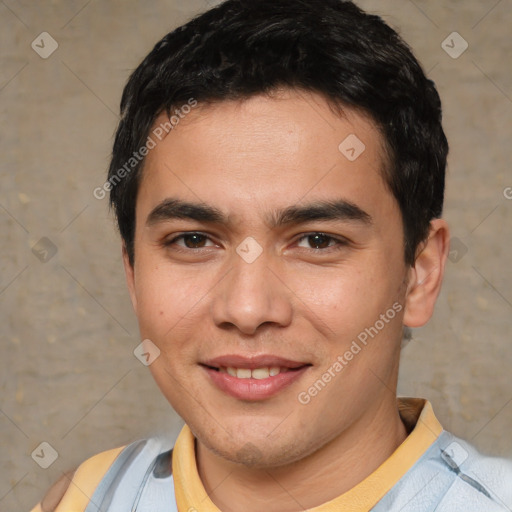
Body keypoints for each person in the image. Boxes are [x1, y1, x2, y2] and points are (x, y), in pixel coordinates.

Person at [32, 0, 512, 510]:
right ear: (132, 273)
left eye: (317, 240)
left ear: (420, 273)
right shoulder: (86, 498)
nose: (247, 309)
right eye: (193, 240)